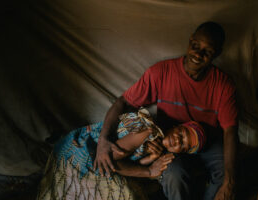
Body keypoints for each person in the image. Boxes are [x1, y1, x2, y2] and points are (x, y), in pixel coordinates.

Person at [95, 21, 239, 200]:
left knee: (228, 175)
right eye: (195, 46)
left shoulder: (223, 85)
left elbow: (230, 131)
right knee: (173, 174)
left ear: (216, 53)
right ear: (190, 42)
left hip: (207, 140)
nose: (198, 54)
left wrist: (230, 181)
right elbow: (123, 102)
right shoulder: (161, 72)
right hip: (172, 140)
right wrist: (103, 139)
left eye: (207, 51)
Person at [36, 108, 207, 200]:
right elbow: (109, 160)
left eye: (183, 146)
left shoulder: (158, 147)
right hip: (86, 152)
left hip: (107, 161)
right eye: (182, 134)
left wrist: (148, 160)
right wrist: (148, 172)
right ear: (176, 126)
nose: (178, 141)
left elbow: (129, 159)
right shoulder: (147, 130)